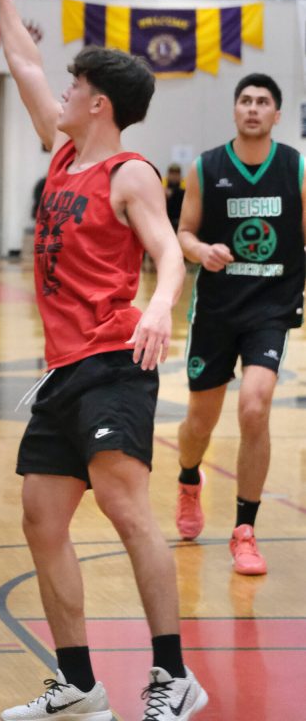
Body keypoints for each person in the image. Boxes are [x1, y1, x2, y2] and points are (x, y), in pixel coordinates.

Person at [0, 0, 207, 721]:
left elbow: (167, 253)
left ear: (99, 103)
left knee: (125, 507)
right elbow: (22, 61)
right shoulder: (63, 154)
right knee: (41, 518)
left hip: (115, 360)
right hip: (63, 370)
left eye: (75, 86)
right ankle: (78, 684)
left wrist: (160, 304)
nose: (63, 93)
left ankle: (174, 674)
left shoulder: (129, 172)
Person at [175, 73, 305, 576]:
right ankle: (189, 479)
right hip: (217, 309)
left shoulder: (295, 167)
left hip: (271, 307)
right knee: (199, 424)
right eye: (245, 100)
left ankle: (244, 531)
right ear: (235, 111)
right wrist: (201, 250)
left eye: (263, 101)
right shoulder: (206, 168)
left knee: (255, 406)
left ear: (277, 114)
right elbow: (184, 232)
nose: (253, 108)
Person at [164, 163, 185, 231]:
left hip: (180, 224)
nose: (174, 176)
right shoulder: (162, 191)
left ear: (180, 176)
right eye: (172, 174)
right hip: (166, 223)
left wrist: (173, 192)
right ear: (168, 175)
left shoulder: (184, 192)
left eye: (176, 174)